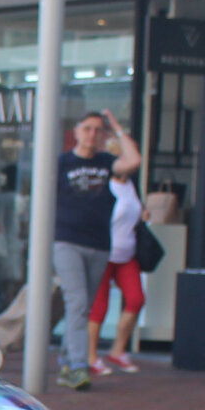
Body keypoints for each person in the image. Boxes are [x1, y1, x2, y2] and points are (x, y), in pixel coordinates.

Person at [51, 111, 142, 390]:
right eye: (87, 128)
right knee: (77, 302)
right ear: (77, 131)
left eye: (97, 130)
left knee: (84, 306)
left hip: (100, 244)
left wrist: (116, 127)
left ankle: (67, 362)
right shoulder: (62, 163)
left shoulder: (107, 162)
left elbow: (134, 161)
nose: (92, 135)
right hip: (67, 241)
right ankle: (79, 366)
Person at [87, 169, 144, 374]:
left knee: (136, 298)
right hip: (105, 253)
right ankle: (91, 356)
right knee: (100, 306)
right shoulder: (105, 186)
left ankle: (118, 350)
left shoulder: (130, 185)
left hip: (126, 254)